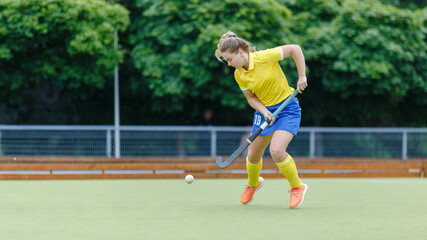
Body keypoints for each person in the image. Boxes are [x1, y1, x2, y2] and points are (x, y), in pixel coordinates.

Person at [215, 31, 308, 208]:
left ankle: (298, 187)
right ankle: (253, 183)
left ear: (240, 53)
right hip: (265, 111)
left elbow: (295, 49)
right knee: (253, 153)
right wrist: (264, 111)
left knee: (277, 151)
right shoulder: (239, 75)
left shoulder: (265, 57)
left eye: (229, 59)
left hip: (286, 108)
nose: (228, 64)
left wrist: (302, 75)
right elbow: (251, 98)